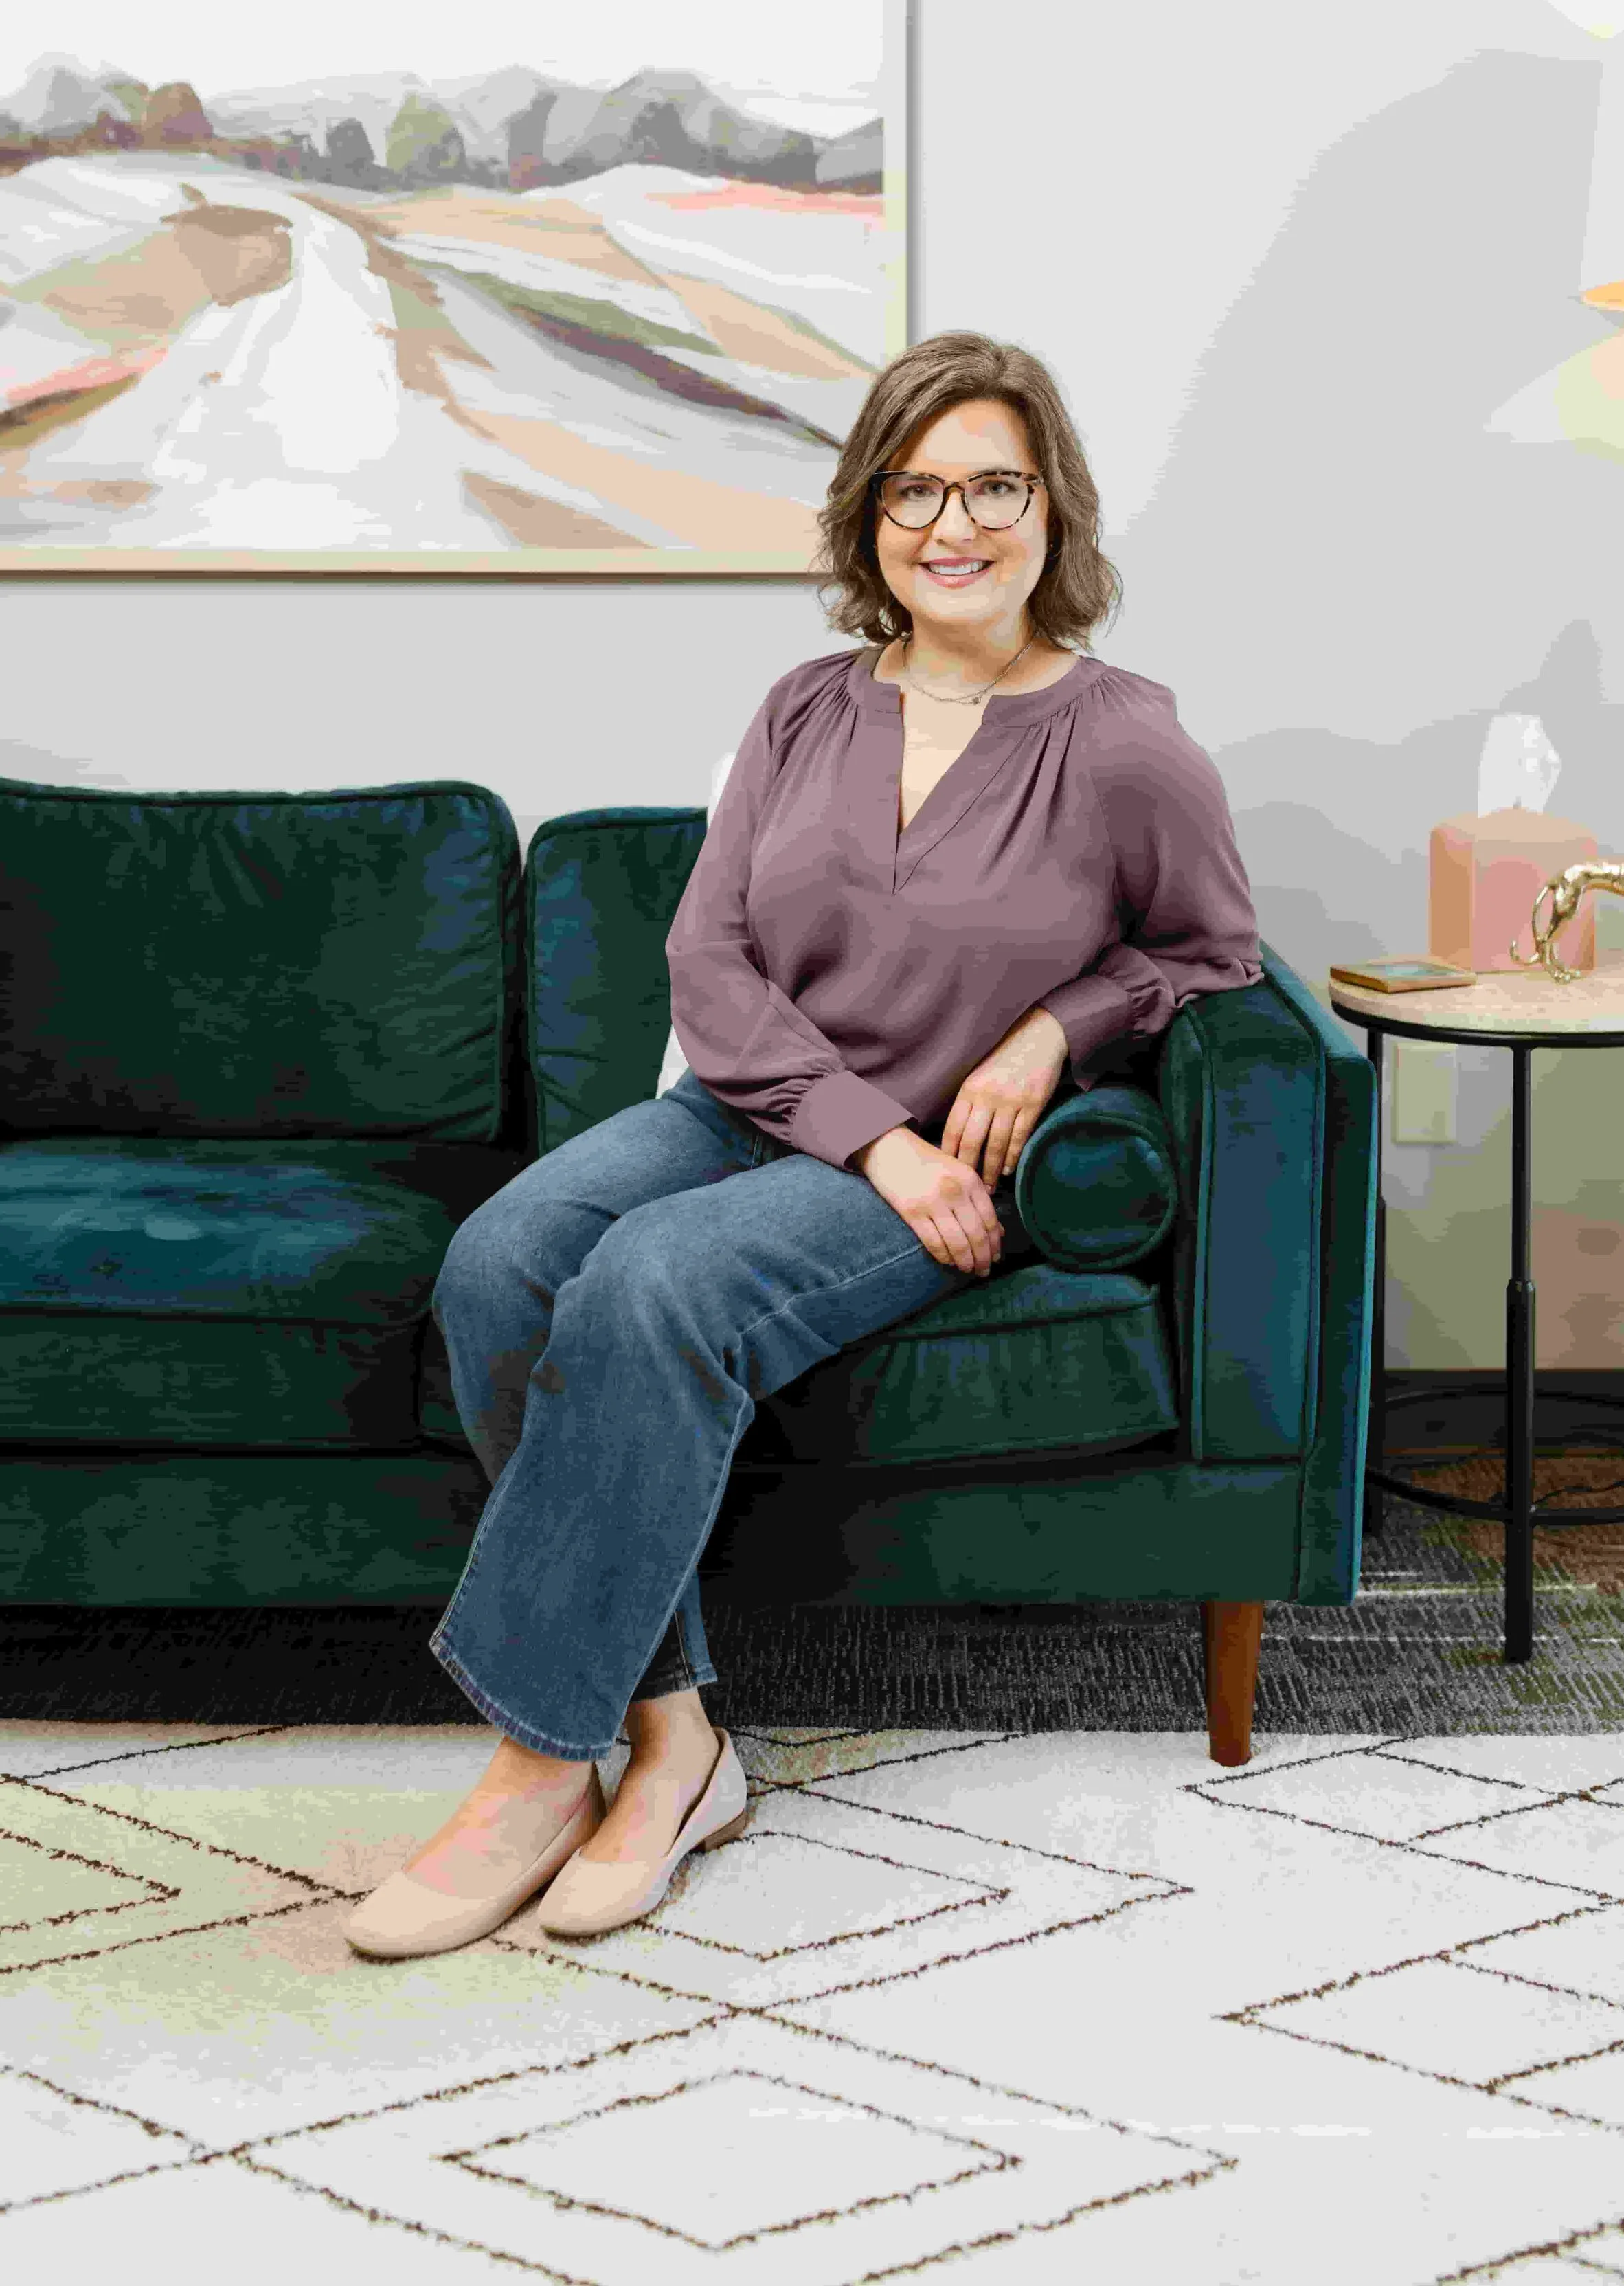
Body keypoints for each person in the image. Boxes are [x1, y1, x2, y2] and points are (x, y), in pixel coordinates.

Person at [345, 329, 1263, 1960]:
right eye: (912, 488)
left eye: (990, 483)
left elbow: (1210, 951)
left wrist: (1053, 1032)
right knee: (498, 1262)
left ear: (1051, 507)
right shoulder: (803, 708)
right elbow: (711, 965)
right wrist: (858, 1141)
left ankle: (536, 1760)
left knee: (647, 1287)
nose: (950, 522)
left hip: (941, 1156)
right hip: (760, 1114)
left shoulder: (1123, 741)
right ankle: (678, 1742)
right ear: (869, 518)